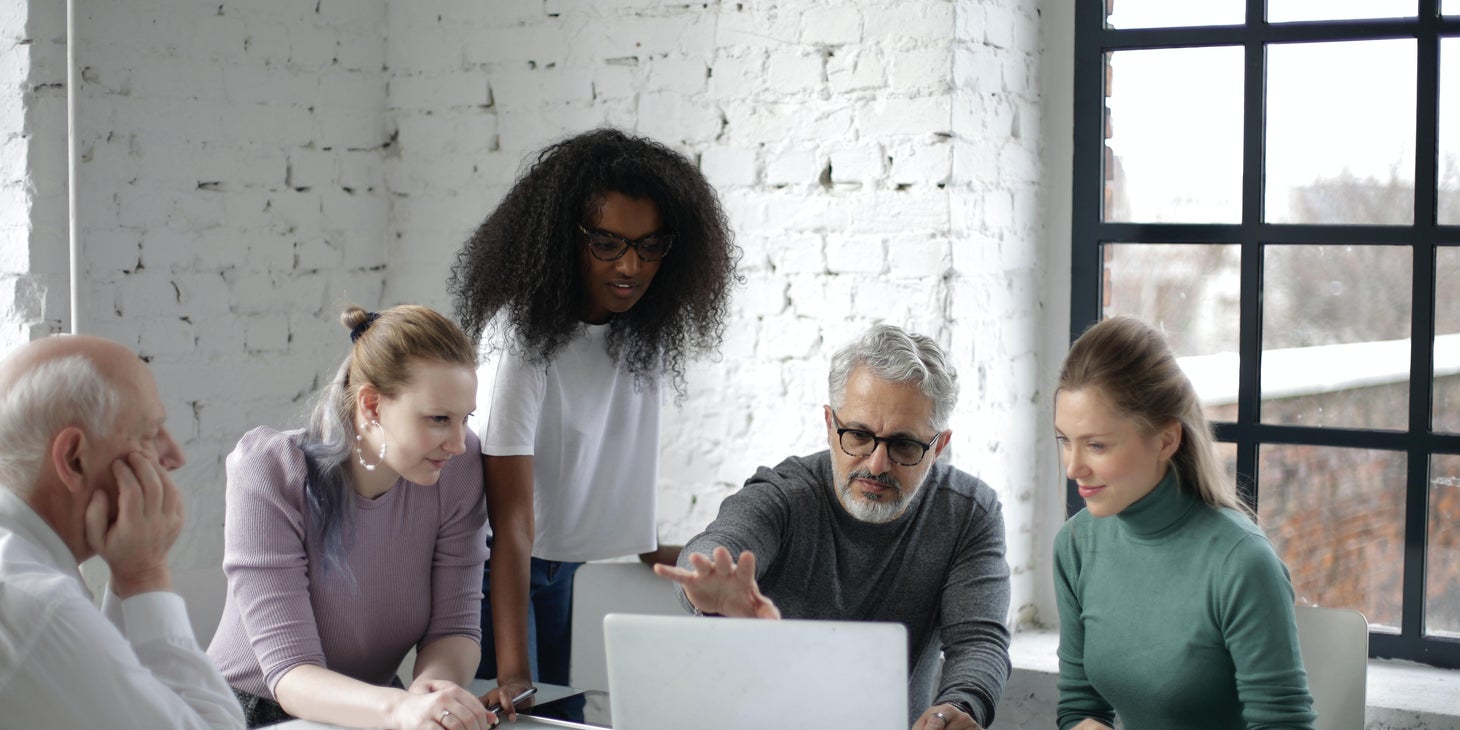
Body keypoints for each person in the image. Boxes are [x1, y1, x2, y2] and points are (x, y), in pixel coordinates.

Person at [447, 127, 739, 714]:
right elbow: (507, 522)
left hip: (562, 565)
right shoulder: (521, 341)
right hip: (496, 570)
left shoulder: (639, 329)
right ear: (564, 240)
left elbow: (607, 459)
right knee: (529, 712)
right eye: (607, 243)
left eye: (650, 245)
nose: (631, 265)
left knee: (565, 713)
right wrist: (513, 672)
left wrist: (653, 550)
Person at [653, 324, 1012, 730]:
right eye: (858, 435)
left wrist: (959, 707)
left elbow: (978, 642)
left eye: (904, 445)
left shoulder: (969, 512)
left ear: (939, 447)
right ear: (829, 424)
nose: (877, 464)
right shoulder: (785, 495)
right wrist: (707, 582)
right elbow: (724, 540)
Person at [207, 305, 495, 730]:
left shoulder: (459, 465)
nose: (456, 442)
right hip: (252, 713)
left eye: (464, 418)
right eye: (438, 419)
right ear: (372, 405)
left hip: (378, 708)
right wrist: (400, 710)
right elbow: (291, 674)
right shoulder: (270, 470)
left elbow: (455, 627)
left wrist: (430, 692)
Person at [1052, 315, 1316, 729]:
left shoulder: (1241, 563)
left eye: (1097, 445)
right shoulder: (1075, 546)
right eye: (1064, 440)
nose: (1073, 468)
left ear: (1165, 440)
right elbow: (1079, 706)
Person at [0, 334, 244, 728]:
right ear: (74, 459)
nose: (176, 456)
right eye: (149, 434)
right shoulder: (38, 607)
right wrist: (145, 574)